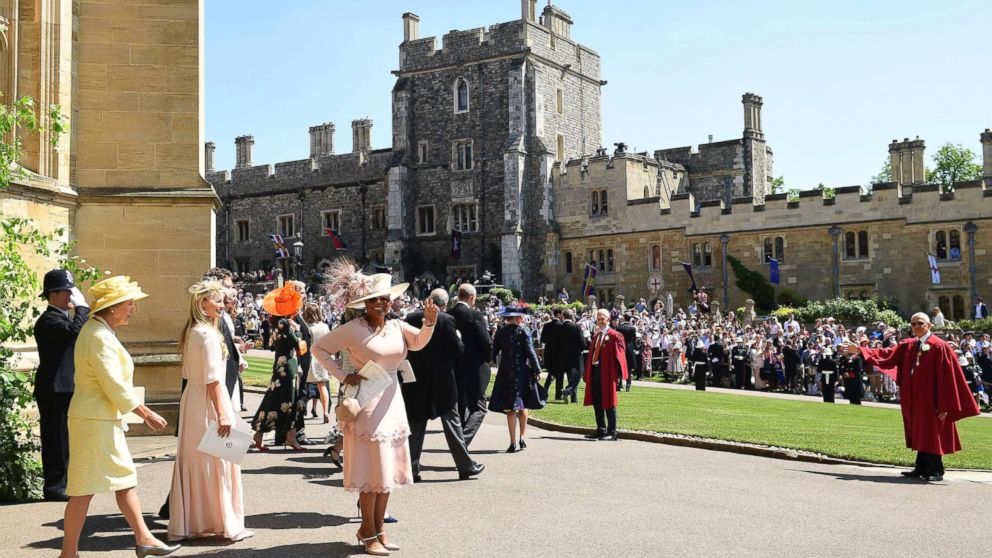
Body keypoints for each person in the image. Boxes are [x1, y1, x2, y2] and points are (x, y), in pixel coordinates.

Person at [313, 264, 437, 556]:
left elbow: (417, 343)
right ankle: (367, 530)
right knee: (372, 472)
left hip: (392, 399)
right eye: (375, 299)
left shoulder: (396, 325)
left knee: (387, 472)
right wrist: (343, 376)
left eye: (385, 298)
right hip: (367, 401)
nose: (382, 303)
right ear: (364, 304)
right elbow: (319, 349)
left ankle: (379, 529)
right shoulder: (352, 329)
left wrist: (430, 323)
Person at [60, 276, 180, 558]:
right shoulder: (98, 336)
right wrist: (146, 412)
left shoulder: (99, 332)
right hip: (95, 421)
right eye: (128, 303)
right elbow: (113, 384)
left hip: (96, 419)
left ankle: (141, 538)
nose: (132, 308)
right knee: (94, 486)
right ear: (112, 307)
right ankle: (139, 539)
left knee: (104, 484)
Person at [843, 312, 981, 481]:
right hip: (914, 399)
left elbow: (947, 378)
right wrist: (861, 350)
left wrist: (945, 405)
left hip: (932, 400)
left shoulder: (939, 346)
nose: (916, 326)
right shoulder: (908, 345)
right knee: (919, 431)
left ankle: (937, 470)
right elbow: (887, 354)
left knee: (931, 432)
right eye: (913, 323)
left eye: (920, 323)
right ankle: (921, 467)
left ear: (929, 325)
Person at [168, 280, 252, 542]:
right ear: (202, 303)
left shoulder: (193, 331)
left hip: (193, 398)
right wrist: (223, 414)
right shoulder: (208, 335)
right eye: (216, 300)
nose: (221, 305)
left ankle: (196, 521)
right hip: (208, 401)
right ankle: (223, 520)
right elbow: (214, 379)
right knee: (220, 458)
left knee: (200, 458)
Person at [401, 289, 483, 481]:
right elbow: (457, 349)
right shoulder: (446, 320)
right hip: (442, 379)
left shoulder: (411, 318)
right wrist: (459, 339)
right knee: (452, 423)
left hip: (417, 379)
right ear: (444, 305)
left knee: (416, 425)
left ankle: (411, 468)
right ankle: (465, 465)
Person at [33, 269, 89, 502]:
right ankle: (55, 486)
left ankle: (65, 482)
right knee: (56, 438)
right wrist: (82, 309)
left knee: (67, 437)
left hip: (65, 387)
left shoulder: (61, 318)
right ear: (53, 295)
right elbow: (73, 331)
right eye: (67, 292)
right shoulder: (49, 320)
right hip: (54, 389)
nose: (70, 297)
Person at [250, 285, 306, 451]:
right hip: (288, 366)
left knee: (275, 399)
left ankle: (263, 434)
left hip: (283, 364)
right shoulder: (284, 323)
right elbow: (298, 344)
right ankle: (289, 437)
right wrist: (298, 331)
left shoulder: (277, 322)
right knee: (289, 400)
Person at [490, 304, 546, 453]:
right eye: (520, 316)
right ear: (516, 317)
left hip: (505, 372)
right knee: (523, 405)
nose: (522, 319)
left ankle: (512, 441)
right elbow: (530, 352)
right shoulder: (524, 332)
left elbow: (493, 353)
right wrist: (537, 370)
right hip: (521, 372)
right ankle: (522, 436)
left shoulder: (501, 333)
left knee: (510, 409)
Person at [447, 283, 492, 447]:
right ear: (472, 297)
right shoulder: (475, 315)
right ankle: (462, 443)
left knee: (460, 407)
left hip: (454, 367)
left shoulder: (447, 316)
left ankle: (460, 445)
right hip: (474, 367)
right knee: (479, 407)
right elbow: (486, 343)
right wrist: (487, 360)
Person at [583, 308, 628, 441]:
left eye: (603, 319)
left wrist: (619, 375)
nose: (600, 321)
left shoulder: (614, 335)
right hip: (596, 371)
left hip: (608, 373)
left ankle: (612, 431)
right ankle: (601, 430)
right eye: (598, 319)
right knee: (597, 401)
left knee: (609, 401)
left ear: (608, 320)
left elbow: (620, 355)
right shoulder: (596, 336)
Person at [304, 303, 332, 423]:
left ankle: (302, 411)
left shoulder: (306, 327)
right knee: (323, 387)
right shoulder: (325, 326)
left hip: (310, 358)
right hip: (322, 358)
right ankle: (325, 412)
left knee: (303, 387)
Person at [558, 308, 588, 404]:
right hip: (576, 356)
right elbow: (583, 343)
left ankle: (573, 398)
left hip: (563, 356)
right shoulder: (576, 327)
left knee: (571, 377)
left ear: (563, 316)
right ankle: (568, 390)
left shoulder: (560, 327)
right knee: (577, 376)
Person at [540, 309, 564, 400]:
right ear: (558, 314)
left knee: (552, 372)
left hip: (549, 352)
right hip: (559, 352)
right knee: (559, 374)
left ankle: (545, 390)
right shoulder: (561, 326)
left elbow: (542, 339)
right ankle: (558, 394)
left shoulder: (546, 325)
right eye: (561, 314)